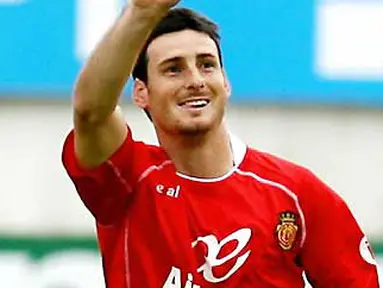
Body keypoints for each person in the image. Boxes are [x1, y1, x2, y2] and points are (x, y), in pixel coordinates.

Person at [62, 0, 380, 287]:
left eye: (206, 64)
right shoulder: (129, 180)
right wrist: (141, 13)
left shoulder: (296, 193)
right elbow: (91, 113)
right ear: (141, 92)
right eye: (173, 69)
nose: (195, 80)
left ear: (225, 83)